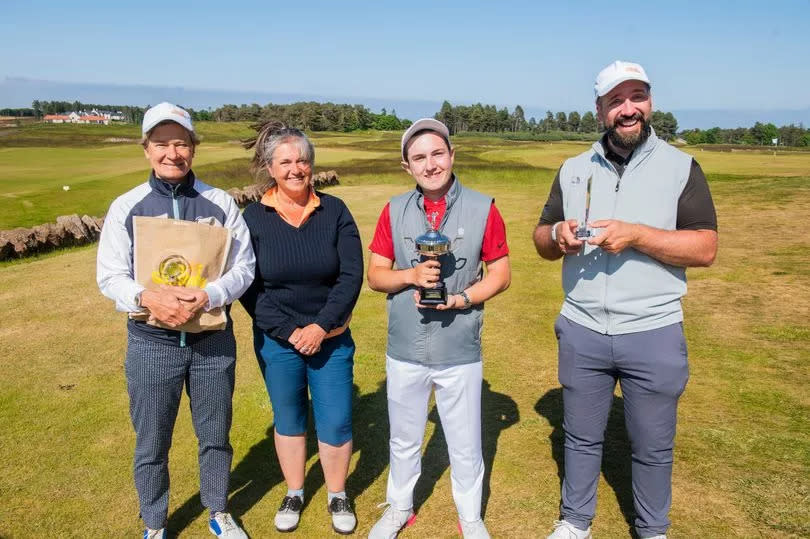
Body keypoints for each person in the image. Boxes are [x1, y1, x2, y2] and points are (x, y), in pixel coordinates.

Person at [533, 61, 718, 539]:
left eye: (636, 97)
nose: (628, 109)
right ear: (600, 110)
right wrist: (558, 234)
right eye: (616, 101)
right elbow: (540, 238)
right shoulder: (573, 169)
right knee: (579, 437)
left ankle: (652, 529)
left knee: (653, 444)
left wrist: (636, 235)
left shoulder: (682, 168)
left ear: (650, 102)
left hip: (653, 329)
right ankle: (575, 522)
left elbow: (705, 248)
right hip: (582, 327)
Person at [97, 102, 255, 539]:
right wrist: (147, 297)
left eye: (181, 143)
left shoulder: (220, 202)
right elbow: (109, 276)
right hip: (151, 342)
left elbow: (244, 269)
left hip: (211, 342)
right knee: (151, 442)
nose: (172, 152)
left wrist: (209, 294)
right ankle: (154, 523)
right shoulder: (126, 206)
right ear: (146, 148)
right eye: (162, 143)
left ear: (193, 149)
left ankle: (218, 510)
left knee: (215, 434)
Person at [366, 119, 511, 539]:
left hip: (459, 345)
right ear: (406, 166)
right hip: (405, 346)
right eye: (419, 158)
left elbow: (500, 275)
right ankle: (399, 508)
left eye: (437, 154)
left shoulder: (484, 208)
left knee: (465, 443)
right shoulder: (393, 210)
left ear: (451, 155)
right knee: (404, 438)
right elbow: (376, 276)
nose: (430, 165)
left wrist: (462, 299)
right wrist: (411, 276)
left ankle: (469, 516)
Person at [239, 122, 363, 535]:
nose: (296, 169)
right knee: (289, 417)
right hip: (278, 340)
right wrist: (293, 331)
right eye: (286, 162)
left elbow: (350, 276)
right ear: (270, 168)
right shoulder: (253, 217)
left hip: (330, 338)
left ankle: (337, 493)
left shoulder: (336, 211)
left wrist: (321, 326)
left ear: (312, 165)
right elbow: (250, 286)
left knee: (336, 420)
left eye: (303, 160)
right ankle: (295, 490)